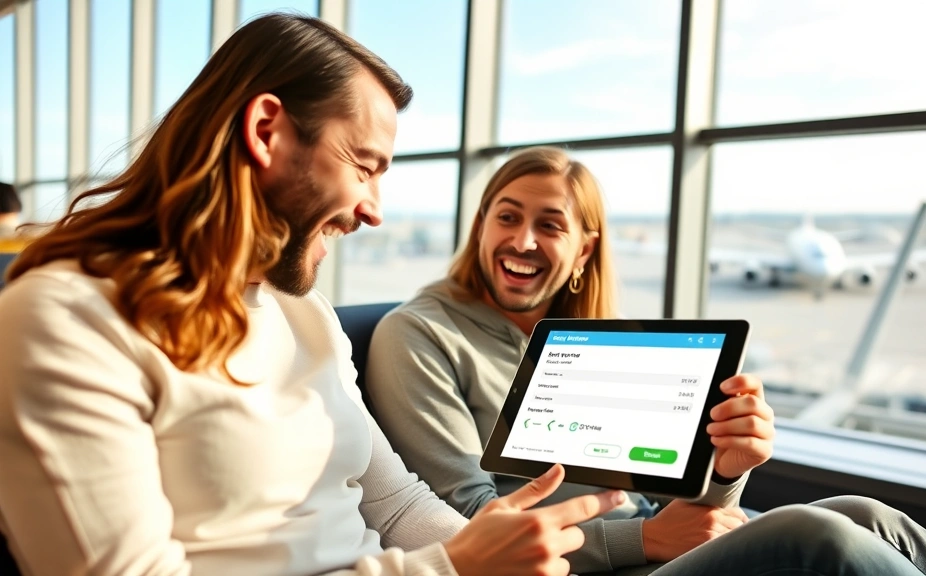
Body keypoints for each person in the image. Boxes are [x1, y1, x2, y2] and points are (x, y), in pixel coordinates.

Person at [0, 15, 635, 576]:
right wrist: (453, 567)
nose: (373, 210)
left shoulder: (300, 311)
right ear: (267, 129)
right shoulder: (66, 320)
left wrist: (500, 557)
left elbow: (392, 500)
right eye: (364, 166)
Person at [365, 146, 926, 576]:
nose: (523, 240)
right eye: (507, 216)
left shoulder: (583, 342)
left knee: (869, 515)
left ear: (583, 250)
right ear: (480, 228)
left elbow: (672, 511)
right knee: (820, 537)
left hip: (646, 539)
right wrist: (644, 538)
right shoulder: (418, 335)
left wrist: (726, 474)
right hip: (583, 568)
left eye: (550, 225)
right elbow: (467, 524)